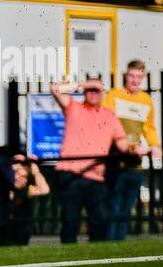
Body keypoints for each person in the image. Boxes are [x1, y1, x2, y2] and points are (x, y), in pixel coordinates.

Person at [50, 76, 128, 243]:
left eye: (96, 90)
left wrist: (135, 148)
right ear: (84, 92)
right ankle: (68, 258)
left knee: (101, 219)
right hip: (70, 173)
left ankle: (96, 257)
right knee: (70, 221)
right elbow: (55, 88)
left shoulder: (110, 116)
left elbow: (123, 144)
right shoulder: (73, 107)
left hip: (95, 176)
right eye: (89, 90)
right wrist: (82, 84)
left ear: (102, 93)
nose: (93, 93)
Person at [103, 59, 161, 240]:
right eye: (131, 76)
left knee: (126, 209)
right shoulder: (114, 96)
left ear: (143, 77)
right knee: (113, 207)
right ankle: (108, 246)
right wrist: (128, 146)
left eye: (138, 77)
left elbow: (149, 128)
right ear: (125, 75)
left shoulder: (146, 100)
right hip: (115, 162)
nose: (135, 81)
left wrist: (155, 145)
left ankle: (119, 246)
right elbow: (107, 125)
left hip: (135, 164)